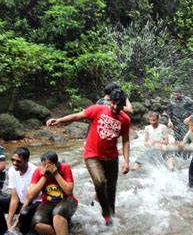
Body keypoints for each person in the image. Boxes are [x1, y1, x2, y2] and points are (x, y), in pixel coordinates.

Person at [46, 88, 130, 226]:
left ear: (123, 105)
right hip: (92, 155)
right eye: (113, 103)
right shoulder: (98, 109)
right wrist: (59, 120)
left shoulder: (125, 119)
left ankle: (111, 219)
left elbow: (126, 140)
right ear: (110, 101)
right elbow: (77, 116)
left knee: (111, 189)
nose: (115, 107)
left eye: (119, 105)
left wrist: (126, 161)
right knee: (100, 182)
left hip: (111, 157)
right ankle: (105, 212)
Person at [0, 147, 41, 234]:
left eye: (18, 161)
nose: (14, 163)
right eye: (13, 160)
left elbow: (29, 199)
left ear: (26, 160)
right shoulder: (12, 170)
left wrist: (15, 224)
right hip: (20, 201)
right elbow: (14, 197)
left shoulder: (35, 172)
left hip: (34, 203)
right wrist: (8, 223)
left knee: (24, 214)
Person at [28, 151, 78, 235]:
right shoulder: (38, 172)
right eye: (44, 166)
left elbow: (69, 191)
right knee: (38, 224)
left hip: (68, 200)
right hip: (48, 202)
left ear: (57, 164)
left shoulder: (65, 168)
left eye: (50, 165)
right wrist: (44, 177)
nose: (47, 168)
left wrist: (56, 174)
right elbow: (31, 194)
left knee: (57, 215)